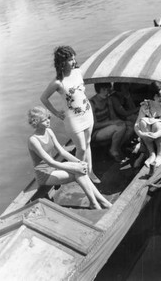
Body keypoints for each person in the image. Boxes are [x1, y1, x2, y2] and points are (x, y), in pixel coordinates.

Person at [27, 106, 112, 210]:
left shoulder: (49, 131)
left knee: (80, 169)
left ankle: (98, 202)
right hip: (44, 174)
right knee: (78, 173)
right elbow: (50, 162)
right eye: (44, 120)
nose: (48, 121)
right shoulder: (33, 140)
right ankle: (96, 203)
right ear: (36, 122)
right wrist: (75, 168)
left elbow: (62, 152)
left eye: (48, 118)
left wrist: (79, 162)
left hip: (54, 168)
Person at [40, 46, 100, 183]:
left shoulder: (78, 72)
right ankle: (79, 175)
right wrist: (55, 113)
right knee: (82, 148)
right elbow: (43, 98)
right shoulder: (57, 82)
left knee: (88, 143)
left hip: (87, 112)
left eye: (74, 58)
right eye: (70, 59)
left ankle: (90, 172)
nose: (74, 62)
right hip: (73, 118)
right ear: (62, 62)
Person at [90, 83, 134, 163]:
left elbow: (113, 117)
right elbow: (94, 125)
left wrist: (120, 121)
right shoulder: (92, 103)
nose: (106, 92)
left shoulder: (108, 100)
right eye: (104, 90)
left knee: (130, 126)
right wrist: (112, 123)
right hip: (96, 132)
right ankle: (113, 151)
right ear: (97, 90)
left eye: (108, 89)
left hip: (109, 126)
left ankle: (116, 147)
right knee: (120, 128)